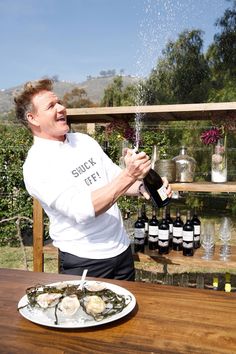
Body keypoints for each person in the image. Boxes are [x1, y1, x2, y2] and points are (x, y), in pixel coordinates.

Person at [15, 79, 172, 281]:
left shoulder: (83, 141)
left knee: (128, 313)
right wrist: (129, 174)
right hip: (84, 261)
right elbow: (83, 210)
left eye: (60, 102)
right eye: (51, 106)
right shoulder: (37, 165)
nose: (62, 108)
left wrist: (144, 187)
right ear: (33, 118)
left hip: (121, 250)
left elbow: (116, 179)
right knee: (84, 313)